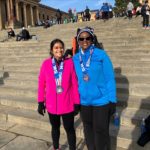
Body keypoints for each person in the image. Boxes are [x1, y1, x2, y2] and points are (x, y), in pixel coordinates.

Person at [73, 27, 117, 150]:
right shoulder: (75, 58)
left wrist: (112, 100)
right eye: (81, 38)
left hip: (101, 101)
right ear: (78, 41)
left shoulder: (101, 55)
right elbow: (74, 81)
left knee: (101, 131)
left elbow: (109, 78)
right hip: (84, 102)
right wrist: (75, 101)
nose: (85, 41)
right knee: (88, 130)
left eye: (88, 38)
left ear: (92, 39)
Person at [37, 39, 80, 150]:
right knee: (55, 128)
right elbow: (41, 84)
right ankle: (56, 147)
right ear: (51, 50)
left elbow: (75, 84)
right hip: (52, 105)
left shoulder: (69, 63)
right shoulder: (46, 64)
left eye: (61, 47)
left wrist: (77, 102)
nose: (59, 50)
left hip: (67, 104)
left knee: (69, 129)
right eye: (56, 48)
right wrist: (40, 102)